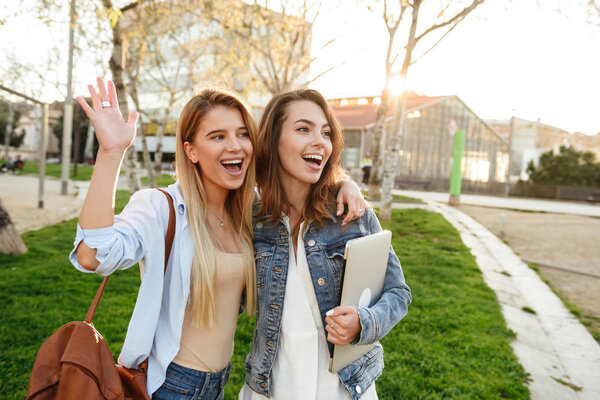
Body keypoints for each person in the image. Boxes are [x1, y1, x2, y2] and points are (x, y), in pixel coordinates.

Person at [69, 78, 367, 399]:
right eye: (217, 136)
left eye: (242, 134)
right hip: (170, 385)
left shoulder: (250, 208)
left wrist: (342, 185)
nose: (235, 146)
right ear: (191, 150)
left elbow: (297, 181)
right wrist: (111, 152)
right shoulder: (161, 207)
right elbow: (93, 255)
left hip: (219, 385)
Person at [240, 89, 412, 400]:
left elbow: (398, 292)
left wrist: (364, 322)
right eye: (303, 129)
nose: (320, 141)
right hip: (271, 388)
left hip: (342, 389)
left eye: (326, 132)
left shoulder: (352, 213)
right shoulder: (251, 220)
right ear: (273, 139)